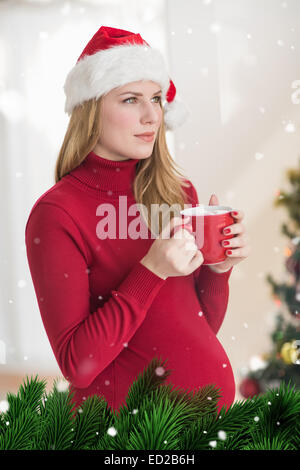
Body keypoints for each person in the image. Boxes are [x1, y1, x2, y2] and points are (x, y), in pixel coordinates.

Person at [25, 26, 250, 416]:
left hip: (206, 428)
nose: (151, 116)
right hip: (125, 434)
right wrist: (152, 270)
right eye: (131, 99)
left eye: (157, 99)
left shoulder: (176, 193)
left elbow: (195, 330)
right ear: (91, 108)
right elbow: (79, 365)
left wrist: (218, 270)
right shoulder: (57, 214)